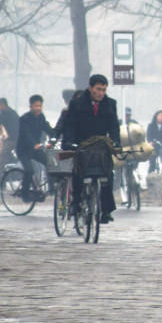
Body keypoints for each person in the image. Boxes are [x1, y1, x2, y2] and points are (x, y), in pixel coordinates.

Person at [63, 74, 121, 224]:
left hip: (101, 146)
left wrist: (115, 143)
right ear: (90, 88)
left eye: (104, 90)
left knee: (108, 173)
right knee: (78, 173)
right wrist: (69, 143)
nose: (101, 93)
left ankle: (106, 210)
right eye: (98, 89)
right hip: (81, 144)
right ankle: (76, 204)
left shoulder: (110, 104)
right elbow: (69, 126)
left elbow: (114, 127)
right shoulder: (77, 104)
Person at [16, 95, 54, 198]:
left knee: (50, 163)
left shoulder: (41, 117)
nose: (38, 108)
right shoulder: (24, 119)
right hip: (24, 150)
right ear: (31, 106)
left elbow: (47, 128)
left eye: (40, 106)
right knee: (29, 170)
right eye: (36, 106)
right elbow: (26, 134)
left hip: (35, 149)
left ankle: (52, 189)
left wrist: (56, 136)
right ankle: (24, 193)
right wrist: (34, 144)